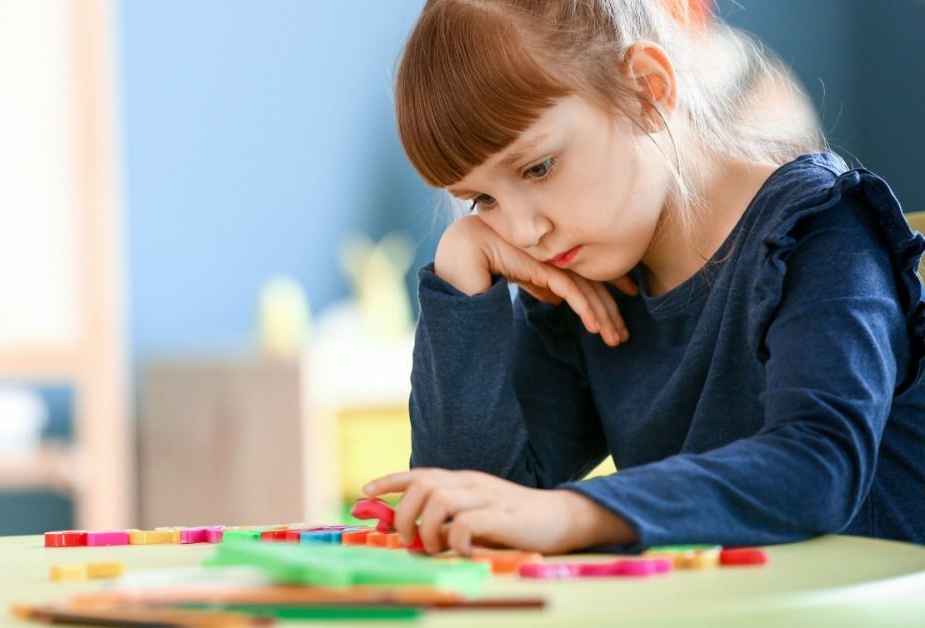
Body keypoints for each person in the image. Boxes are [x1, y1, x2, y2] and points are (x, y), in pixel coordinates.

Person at [362, 0, 925, 555]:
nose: (524, 231)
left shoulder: (823, 229)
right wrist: (461, 272)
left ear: (646, 92)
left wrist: (575, 513)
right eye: (482, 199)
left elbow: (817, 468)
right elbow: (473, 506)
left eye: (538, 167)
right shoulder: (584, 285)